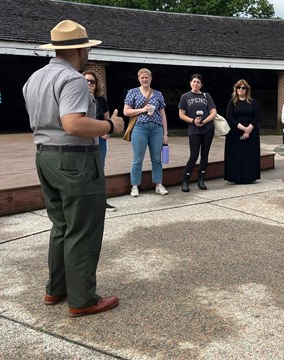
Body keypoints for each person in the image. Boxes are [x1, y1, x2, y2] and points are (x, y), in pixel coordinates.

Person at [22, 20, 123, 317]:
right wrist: (109, 125)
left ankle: (56, 289)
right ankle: (83, 299)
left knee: (62, 225)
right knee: (84, 229)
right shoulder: (74, 80)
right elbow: (73, 123)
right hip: (75, 161)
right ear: (80, 49)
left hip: (44, 156)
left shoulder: (35, 78)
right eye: (87, 48)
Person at [124, 68, 169, 197]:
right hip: (140, 128)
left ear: (151, 78)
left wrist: (165, 133)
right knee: (138, 158)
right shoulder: (132, 92)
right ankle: (134, 186)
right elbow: (126, 111)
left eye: (147, 77)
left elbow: (163, 115)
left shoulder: (158, 94)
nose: (144, 80)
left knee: (156, 158)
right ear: (139, 79)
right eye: (142, 78)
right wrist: (142, 109)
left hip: (156, 129)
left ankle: (158, 184)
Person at [178, 73, 218, 192]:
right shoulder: (185, 97)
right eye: (194, 81)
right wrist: (192, 121)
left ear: (201, 84)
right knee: (194, 155)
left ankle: (201, 180)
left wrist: (205, 121)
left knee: (204, 155)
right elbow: (181, 114)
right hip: (194, 129)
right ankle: (185, 180)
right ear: (190, 83)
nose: (196, 84)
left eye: (198, 82)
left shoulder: (207, 96)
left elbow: (213, 112)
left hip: (207, 129)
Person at [83, 70, 116, 211]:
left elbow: (108, 120)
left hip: (100, 140)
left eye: (92, 81)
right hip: (83, 140)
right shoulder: (77, 99)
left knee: (99, 169)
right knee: (84, 169)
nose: (89, 84)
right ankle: (86, 201)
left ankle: (101, 200)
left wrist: (106, 131)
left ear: (96, 84)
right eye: (86, 81)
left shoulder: (101, 100)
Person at [224, 79, 261, 184]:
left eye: (243, 87)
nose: (240, 89)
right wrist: (243, 128)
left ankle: (249, 177)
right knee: (236, 156)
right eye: (238, 87)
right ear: (235, 89)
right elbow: (230, 117)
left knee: (249, 155)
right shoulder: (232, 102)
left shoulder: (253, 102)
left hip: (251, 132)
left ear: (247, 89)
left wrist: (249, 129)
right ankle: (235, 178)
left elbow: (257, 117)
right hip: (235, 132)